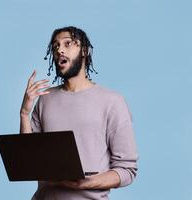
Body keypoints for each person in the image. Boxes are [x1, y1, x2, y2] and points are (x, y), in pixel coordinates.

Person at [19, 26, 138, 200]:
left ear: (84, 51)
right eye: (55, 46)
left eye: (68, 44)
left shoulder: (112, 101)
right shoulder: (45, 99)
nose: (59, 49)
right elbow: (29, 160)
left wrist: (85, 183)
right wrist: (24, 113)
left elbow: (127, 170)